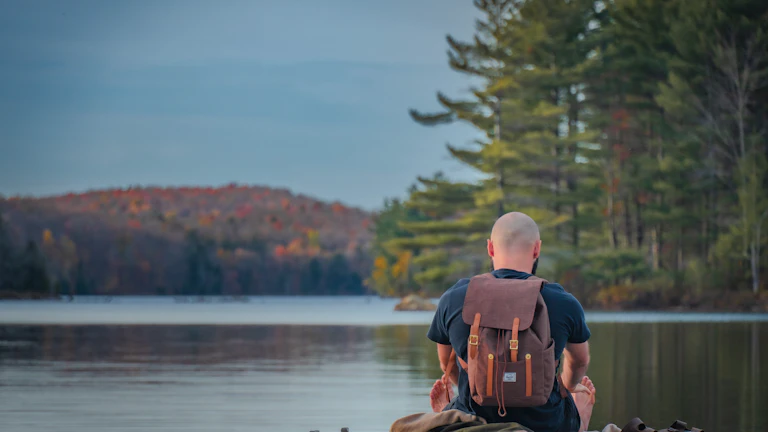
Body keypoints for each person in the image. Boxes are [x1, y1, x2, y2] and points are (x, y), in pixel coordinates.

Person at [427, 212, 595, 432]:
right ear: (537, 249)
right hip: (547, 425)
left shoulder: (454, 298)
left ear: (490, 248)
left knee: (459, 402)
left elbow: (446, 363)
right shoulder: (563, 302)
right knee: (569, 403)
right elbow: (580, 361)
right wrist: (567, 387)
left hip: (473, 420)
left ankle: (451, 413)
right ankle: (580, 422)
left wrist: (480, 383)